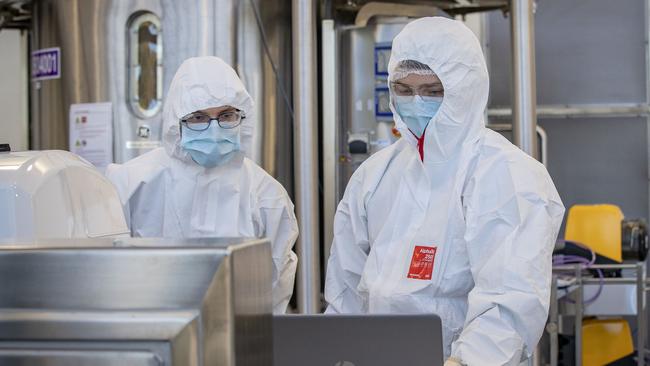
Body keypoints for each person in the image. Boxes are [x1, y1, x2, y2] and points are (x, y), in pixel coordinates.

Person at [324, 17, 564, 365]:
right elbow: (345, 284)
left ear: (467, 89)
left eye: (433, 91)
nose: (416, 103)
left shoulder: (507, 176)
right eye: (404, 91)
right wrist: (337, 351)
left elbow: (509, 303)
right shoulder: (375, 176)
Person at [106, 56, 298, 314]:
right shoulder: (131, 183)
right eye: (198, 118)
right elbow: (112, 275)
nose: (215, 130)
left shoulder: (266, 195)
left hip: (240, 335)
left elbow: (276, 285)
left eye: (226, 115)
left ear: (242, 116)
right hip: (149, 330)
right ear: (176, 121)